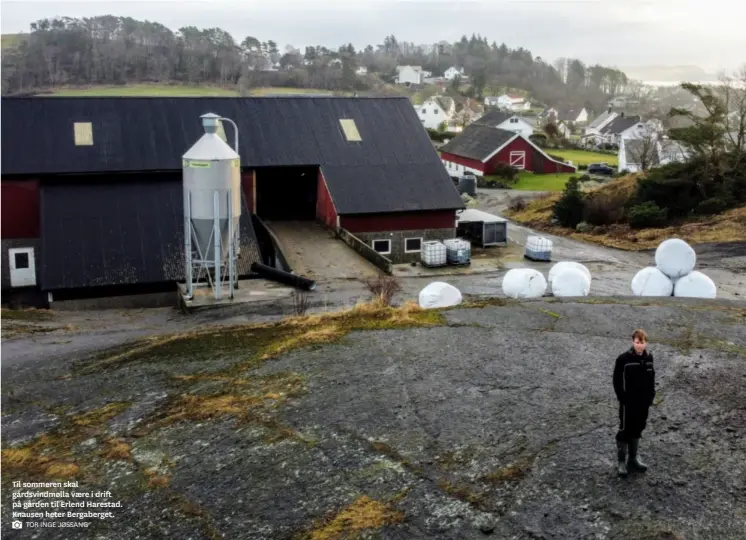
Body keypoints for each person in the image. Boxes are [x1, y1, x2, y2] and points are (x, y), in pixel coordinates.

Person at [613, 329, 656, 477]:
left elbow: (652, 379)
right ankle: (621, 462)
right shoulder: (623, 359)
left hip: (643, 403)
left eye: (642, 342)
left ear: (646, 343)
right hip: (628, 404)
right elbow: (617, 381)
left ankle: (633, 459)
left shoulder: (649, 358)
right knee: (625, 429)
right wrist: (622, 398)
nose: (639, 345)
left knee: (638, 428)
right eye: (637, 342)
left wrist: (651, 396)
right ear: (633, 342)